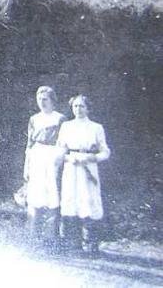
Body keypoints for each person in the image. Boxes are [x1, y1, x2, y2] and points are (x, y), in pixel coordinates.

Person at [57, 94, 111, 254]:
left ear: (88, 108)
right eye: (75, 106)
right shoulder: (66, 126)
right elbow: (60, 150)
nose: (78, 109)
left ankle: (91, 244)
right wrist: (69, 158)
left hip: (88, 168)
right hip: (71, 168)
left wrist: (92, 157)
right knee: (71, 200)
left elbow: (105, 151)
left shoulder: (96, 127)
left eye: (81, 106)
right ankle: (72, 244)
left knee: (89, 201)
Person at [24, 86, 67, 250]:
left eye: (45, 99)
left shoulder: (59, 119)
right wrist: (26, 166)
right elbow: (29, 144)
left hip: (52, 157)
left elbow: (63, 143)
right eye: (39, 99)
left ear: (52, 100)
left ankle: (50, 239)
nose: (42, 102)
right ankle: (32, 237)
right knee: (35, 197)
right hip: (36, 157)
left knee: (52, 197)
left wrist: (57, 161)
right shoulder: (34, 119)